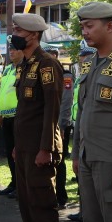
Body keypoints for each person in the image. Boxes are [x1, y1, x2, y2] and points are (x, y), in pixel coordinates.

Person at [12, 13, 64, 222]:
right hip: (24, 146)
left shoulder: (47, 64)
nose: (14, 35)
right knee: (26, 199)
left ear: (32, 35)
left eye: (18, 31)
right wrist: (17, 145)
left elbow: (51, 111)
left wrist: (46, 148)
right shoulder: (25, 64)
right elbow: (24, 110)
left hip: (39, 147)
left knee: (41, 199)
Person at [72, 1, 112, 222]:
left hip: (110, 158)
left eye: (89, 26)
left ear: (110, 26)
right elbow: (83, 112)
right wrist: (76, 153)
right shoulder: (90, 64)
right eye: (82, 27)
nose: (85, 32)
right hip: (88, 158)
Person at [67, 46, 95, 222]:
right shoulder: (81, 79)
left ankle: (87, 212)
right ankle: (83, 211)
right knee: (82, 179)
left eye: (84, 58)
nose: (81, 61)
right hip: (79, 126)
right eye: (80, 59)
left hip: (93, 131)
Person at [44, 46, 73, 210]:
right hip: (48, 124)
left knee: (59, 161)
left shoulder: (65, 75)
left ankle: (61, 197)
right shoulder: (47, 74)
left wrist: (61, 124)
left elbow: (66, 101)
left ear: (56, 56)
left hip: (60, 124)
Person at [0, 42, 24, 199]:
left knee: (17, 154)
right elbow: (3, 92)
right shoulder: (8, 68)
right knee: (9, 152)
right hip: (5, 117)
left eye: (14, 49)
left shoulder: (23, 67)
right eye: (10, 49)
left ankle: (20, 185)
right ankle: (14, 183)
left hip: (17, 117)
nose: (11, 52)